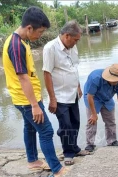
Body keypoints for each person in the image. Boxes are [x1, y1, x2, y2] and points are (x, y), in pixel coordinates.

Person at [2, 6, 64, 177]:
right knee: (46, 131)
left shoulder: (20, 42)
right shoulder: (15, 45)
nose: (40, 35)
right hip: (26, 100)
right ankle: (57, 170)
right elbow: (22, 78)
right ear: (29, 28)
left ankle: (33, 161)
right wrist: (35, 105)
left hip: (27, 98)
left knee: (30, 128)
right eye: (40, 31)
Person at [43, 20, 90, 166]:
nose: (76, 43)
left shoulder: (72, 47)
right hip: (60, 96)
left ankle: (74, 148)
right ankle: (68, 153)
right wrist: (52, 99)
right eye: (75, 40)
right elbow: (47, 73)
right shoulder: (50, 48)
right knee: (66, 125)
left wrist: (78, 87)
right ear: (67, 36)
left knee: (75, 122)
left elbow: (73, 68)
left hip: (73, 94)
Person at [84, 64, 118, 152]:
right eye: (114, 81)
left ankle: (112, 141)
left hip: (107, 98)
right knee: (92, 121)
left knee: (111, 121)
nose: (116, 82)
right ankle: (90, 144)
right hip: (93, 98)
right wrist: (94, 114)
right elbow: (90, 96)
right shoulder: (95, 78)